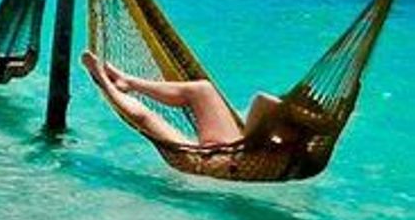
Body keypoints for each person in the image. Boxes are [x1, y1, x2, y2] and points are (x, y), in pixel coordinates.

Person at [79, 52, 287, 147]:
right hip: (234, 151)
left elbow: (263, 101)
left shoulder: (283, 152)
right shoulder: (292, 149)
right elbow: (264, 102)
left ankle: (110, 81)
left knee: (146, 118)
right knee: (202, 89)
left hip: (225, 155)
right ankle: (128, 81)